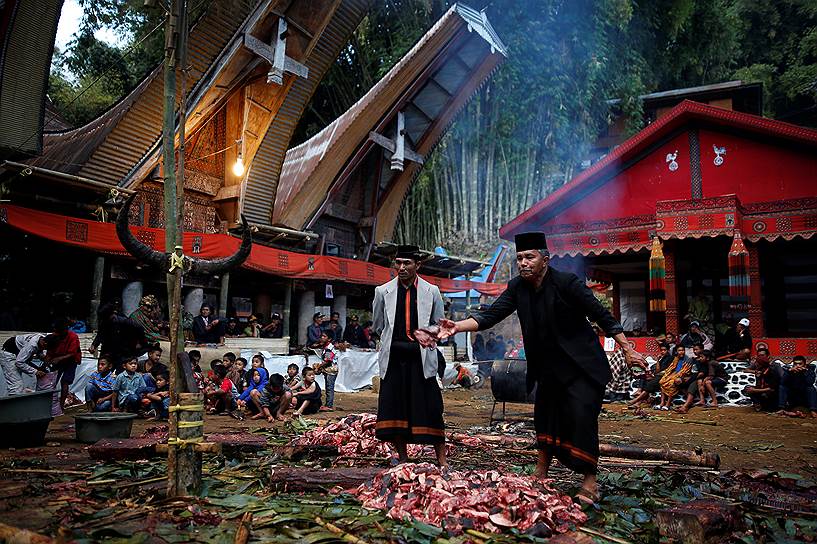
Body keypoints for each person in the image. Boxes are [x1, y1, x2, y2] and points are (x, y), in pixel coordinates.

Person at [438, 232, 645, 501]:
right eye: (520, 258)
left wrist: (627, 348)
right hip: (547, 367)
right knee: (545, 417)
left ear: (545, 260)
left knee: (582, 418)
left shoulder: (566, 283)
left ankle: (590, 480)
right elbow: (491, 315)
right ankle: (541, 471)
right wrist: (456, 326)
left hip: (580, 365)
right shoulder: (517, 288)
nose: (523, 263)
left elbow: (601, 314)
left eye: (529, 257)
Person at [373, 245, 447, 467]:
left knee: (431, 406)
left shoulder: (431, 291)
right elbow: (378, 326)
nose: (401, 267)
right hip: (394, 358)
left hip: (420, 357)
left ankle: (441, 459)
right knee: (395, 406)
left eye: (407, 263)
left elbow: (439, 324)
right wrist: (394, 342)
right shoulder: (382, 291)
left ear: (418, 265)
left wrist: (426, 337)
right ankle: (403, 458)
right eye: (398, 263)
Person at [90, 302, 147, 372]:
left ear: (112, 315)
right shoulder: (104, 322)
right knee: (104, 371)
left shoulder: (124, 321)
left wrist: (140, 343)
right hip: (109, 351)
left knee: (120, 373)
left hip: (123, 352)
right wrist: (94, 345)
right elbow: (100, 334)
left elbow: (140, 328)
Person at [45, 318, 82, 411]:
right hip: (57, 360)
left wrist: (58, 358)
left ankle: (61, 407)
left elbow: (73, 353)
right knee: (52, 381)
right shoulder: (54, 337)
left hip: (71, 361)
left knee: (64, 382)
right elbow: (49, 351)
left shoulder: (73, 336)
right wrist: (47, 360)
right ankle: (49, 405)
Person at [628, 342, 674, 407]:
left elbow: (666, 371)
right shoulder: (663, 358)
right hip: (658, 376)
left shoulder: (671, 358)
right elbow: (657, 370)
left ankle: (636, 400)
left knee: (650, 384)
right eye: (661, 350)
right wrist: (658, 360)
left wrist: (655, 374)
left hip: (664, 377)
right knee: (645, 378)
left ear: (668, 350)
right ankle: (638, 403)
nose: (663, 352)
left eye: (664, 350)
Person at [675, 349, 713, 414]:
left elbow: (701, 374)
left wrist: (690, 379)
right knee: (677, 382)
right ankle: (690, 401)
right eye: (694, 350)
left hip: (697, 380)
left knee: (691, 389)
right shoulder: (694, 360)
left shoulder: (704, 363)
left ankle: (685, 407)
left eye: (697, 349)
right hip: (691, 378)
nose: (695, 351)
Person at [657, 345, 694, 410]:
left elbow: (685, 372)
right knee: (662, 381)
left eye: (682, 350)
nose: (681, 352)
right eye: (679, 350)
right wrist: (667, 374)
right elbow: (671, 368)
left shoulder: (688, 359)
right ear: (676, 352)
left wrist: (673, 376)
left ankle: (668, 404)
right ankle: (662, 403)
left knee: (671, 383)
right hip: (674, 374)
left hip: (683, 376)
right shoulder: (676, 358)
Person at [744, 347, 779, 412]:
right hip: (761, 388)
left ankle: (766, 406)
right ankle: (758, 404)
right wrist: (755, 372)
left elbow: (772, 388)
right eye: (759, 356)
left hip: (770, 392)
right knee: (747, 388)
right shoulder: (759, 369)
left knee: (764, 394)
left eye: (762, 355)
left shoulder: (773, 370)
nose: (755, 365)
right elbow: (746, 370)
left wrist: (755, 390)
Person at [314, 331, 338, 411]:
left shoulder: (328, 348)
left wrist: (319, 366)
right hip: (329, 370)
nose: (322, 338)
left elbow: (327, 361)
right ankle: (328, 404)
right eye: (322, 336)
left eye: (324, 336)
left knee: (329, 388)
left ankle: (329, 406)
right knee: (328, 387)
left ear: (329, 339)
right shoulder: (327, 347)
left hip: (331, 370)